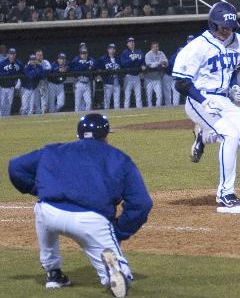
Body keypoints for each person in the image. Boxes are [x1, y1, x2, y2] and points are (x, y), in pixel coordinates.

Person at [8, 113, 152, 297]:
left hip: (49, 212)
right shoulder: (120, 159)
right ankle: (115, 272)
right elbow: (141, 203)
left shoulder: (54, 150)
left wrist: (39, 189)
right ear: (106, 135)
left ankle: (53, 273)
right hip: (90, 220)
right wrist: (119, 231)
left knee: (41, 210)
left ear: (78, 134)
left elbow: (15, 167)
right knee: (119, 275)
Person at [173, 2, 240, 207]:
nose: (227, 31)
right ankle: (225, 193)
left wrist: (232, 88)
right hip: (198, 99)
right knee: (230, 135)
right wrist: (204, 102)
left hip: (223, 99)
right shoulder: (197, 47)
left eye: (230, 27)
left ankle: (203, 136)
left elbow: (231, 70)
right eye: (223, 27)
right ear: (213, 25)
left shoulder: (238, 40)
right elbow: (181, 83)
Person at [166, 35, 194, 106]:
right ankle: (174, 109)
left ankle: (190, 106)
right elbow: (171, 64)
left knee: (189, 95)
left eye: (192, 40)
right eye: (189, 40)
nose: (190, 41)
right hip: (176, 78)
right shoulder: (176, 55)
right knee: (176, 96)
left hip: (188, 78)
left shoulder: (194, 51)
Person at [69, 47, 95, 112]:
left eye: (85, 53)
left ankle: (86, 117)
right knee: (78, 104)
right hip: (79, 83)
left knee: (89, 103)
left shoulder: (91, 60)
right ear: (80, 54)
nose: (84, 55)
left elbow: (94, 68)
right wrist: (85, 66)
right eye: (82, 53)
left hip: (87, 83)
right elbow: (73, 70)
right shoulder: (76, 60)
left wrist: (83, 67)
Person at [120, 37, 144, 109]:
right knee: (127, 96)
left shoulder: (139, 51)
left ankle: (140, 111)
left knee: (138, 95)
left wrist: (143, 65)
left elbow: (142, 61)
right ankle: (126, 111)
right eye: (130, 42)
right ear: (127, 44)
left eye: (133, 41)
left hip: (137, 76)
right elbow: (123, 64)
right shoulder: (125, 52)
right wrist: (132, 60)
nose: (132, 43)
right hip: (128, 76)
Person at [97, 44, 121, 109]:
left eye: (113, 49)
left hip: (116, 81)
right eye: (110, 48)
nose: (112, 50)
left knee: (117, 102)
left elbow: (121, 68)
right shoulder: (102, 59)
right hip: (107, 82)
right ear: (107, 50)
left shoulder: (118, 58)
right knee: (107, 101)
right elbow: (99, 70)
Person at [144, 42, 167, 107]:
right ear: (151, 48)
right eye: (154, 47)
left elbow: (166, 62)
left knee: (159, 96)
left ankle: (158, 110)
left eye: (157, 46)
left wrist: (163, 63)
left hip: (157, 78)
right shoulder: (148, 54)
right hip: (149, 78)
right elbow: (150, 65)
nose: (156, 48)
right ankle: (149, 111)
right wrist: (159, 63)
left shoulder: (161, 53)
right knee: (149, 97)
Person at [0, 48, 23, 116]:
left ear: (15, 54)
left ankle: (6, 118)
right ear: (8, 54)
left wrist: (19, 81)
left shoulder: (19, 63)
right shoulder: (2, 63)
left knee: (9, 103)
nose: (12, 55)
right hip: (2, 87)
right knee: (2, 103)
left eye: (13, 54)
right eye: (11, 54)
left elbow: (22, 73)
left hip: (11, 87)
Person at [34, 49, 51, 114]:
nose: (39, 56)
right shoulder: (31, 62)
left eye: (40, 55)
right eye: (38, 55)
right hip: (35, 84)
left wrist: (39, 66)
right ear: (35, 56)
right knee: (36, 103)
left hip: (43, 82)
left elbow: (48, 70)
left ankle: (44, 116)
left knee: (44, 103)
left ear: (42, 56)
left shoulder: (45, 62)